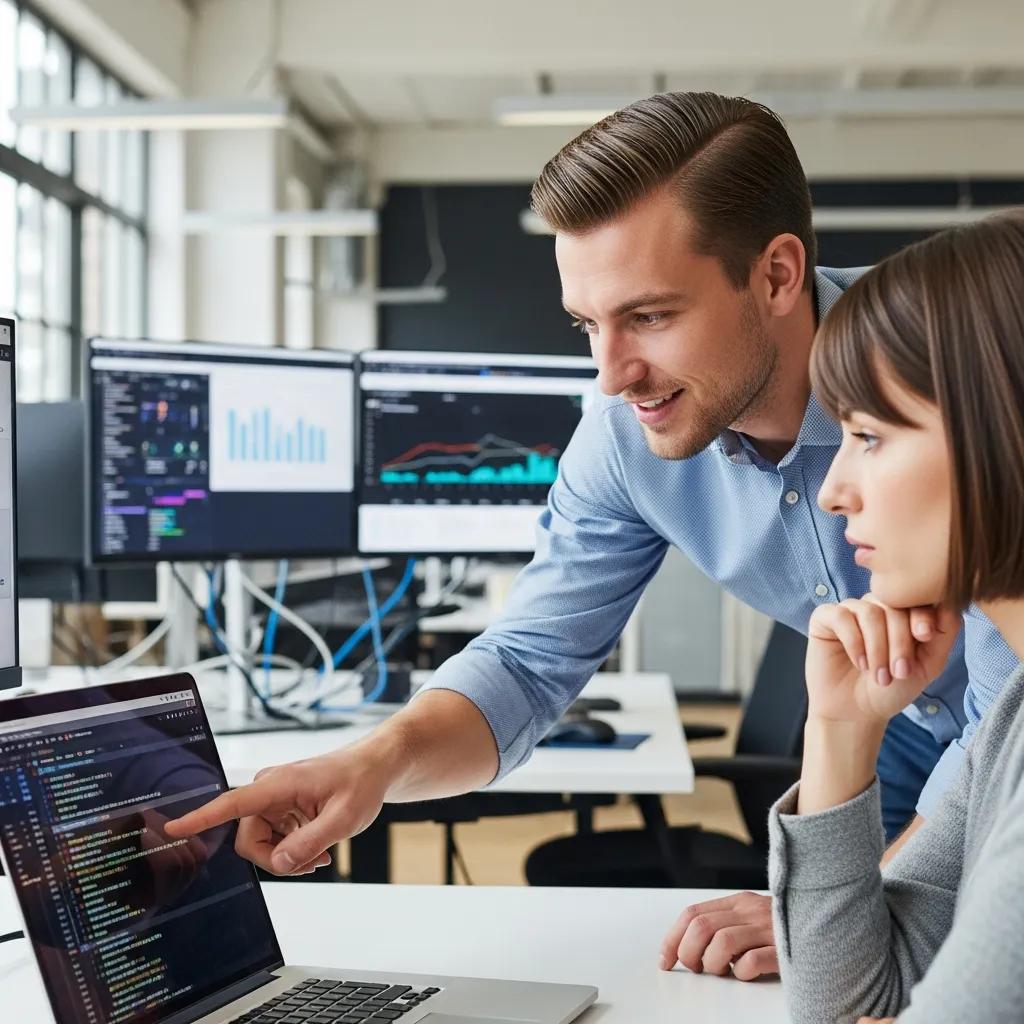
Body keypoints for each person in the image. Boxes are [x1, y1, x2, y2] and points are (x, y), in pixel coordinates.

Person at [166, 92, 1015, 979]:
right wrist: (371, 765)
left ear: (775, 275)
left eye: (649, 317)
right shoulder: (622, 434)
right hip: (887, 734)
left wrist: (845, 900)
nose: (610, 376)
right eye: (587, 325)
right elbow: (531, 661)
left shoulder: (950, 371)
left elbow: (1003, 713)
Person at [770, 210, 1024, 1023]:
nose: (835, 490)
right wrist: (840, 730)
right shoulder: (1010, 721)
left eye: (869, 436)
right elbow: (847, 1004)